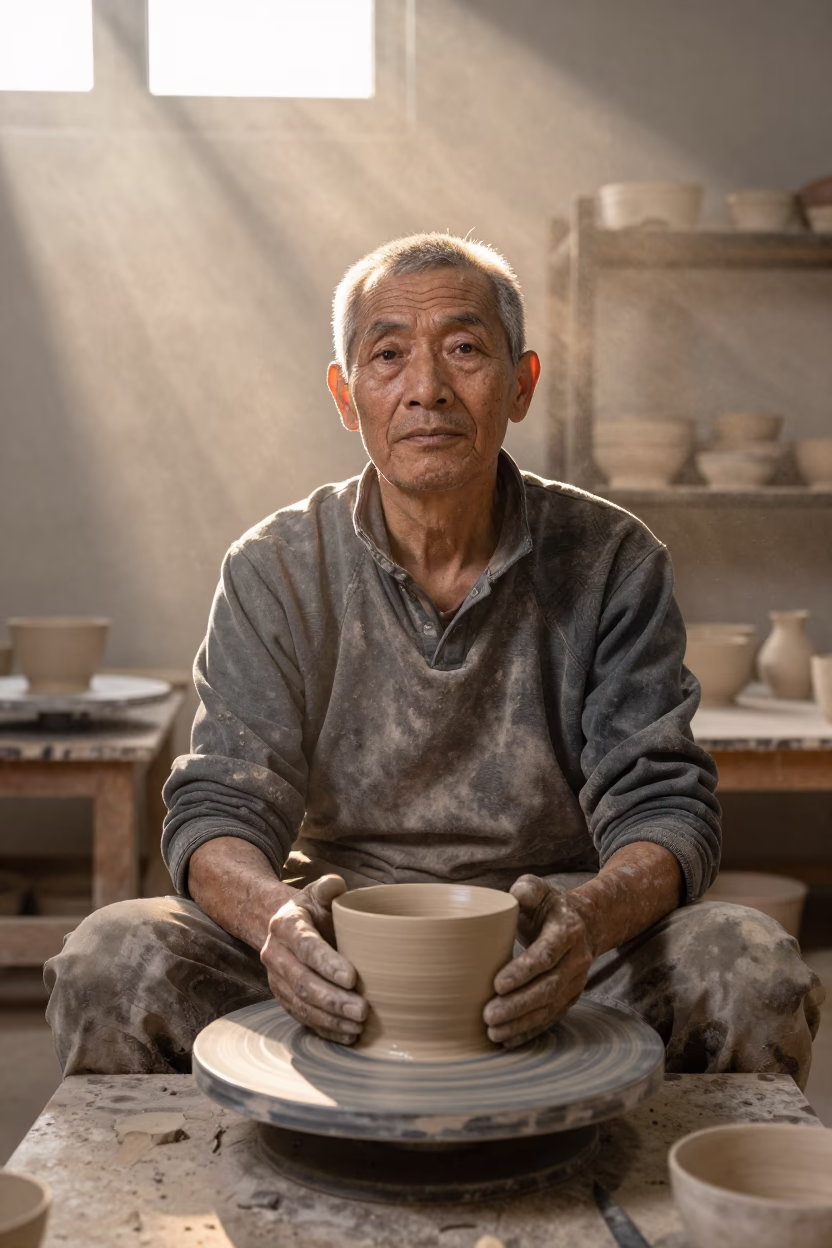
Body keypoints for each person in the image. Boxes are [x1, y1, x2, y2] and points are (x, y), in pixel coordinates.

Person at [45, 234, 823, 1083]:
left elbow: (664, 808)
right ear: (347, 396)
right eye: (388, 356)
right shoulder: (275, 566)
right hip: (337, 942)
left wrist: (585, 922)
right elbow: (220, 809)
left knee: (753, 966)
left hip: (551, 942)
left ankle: (714, 1200)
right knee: (108, 958)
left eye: (463, 349)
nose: (427, 390)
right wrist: (278, 925)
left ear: (519, 384)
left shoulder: (610, 559)